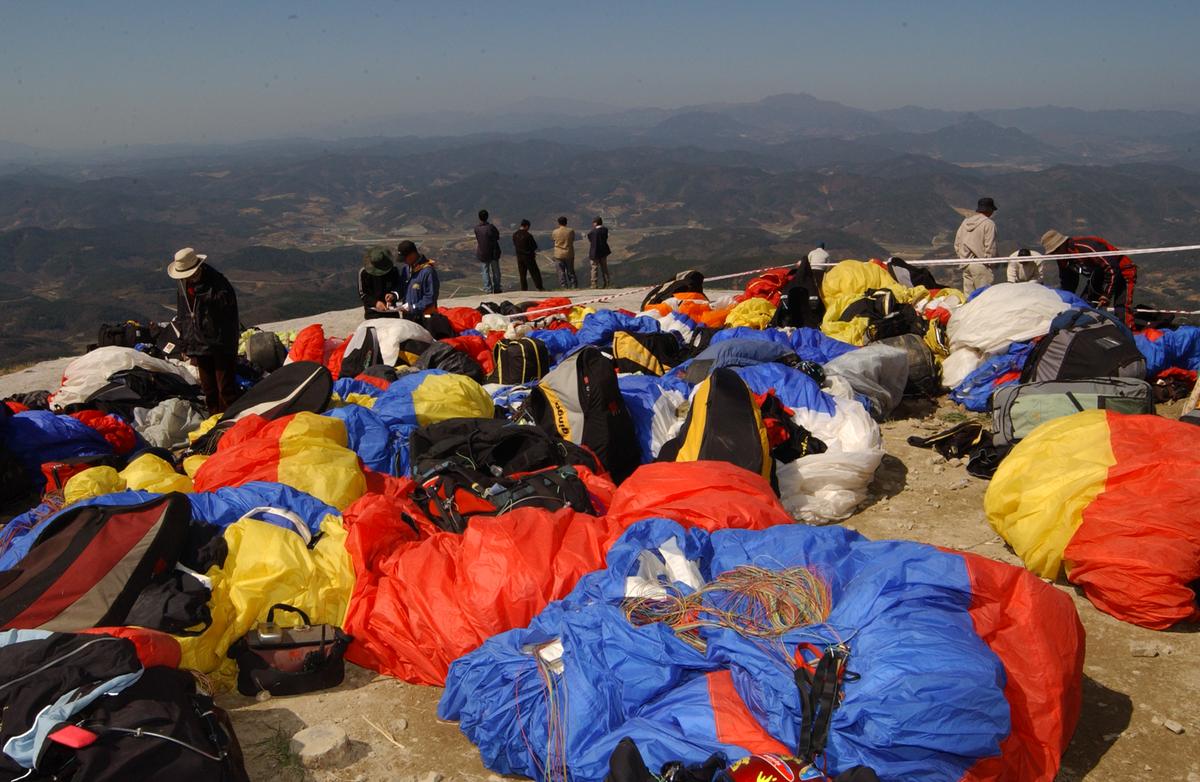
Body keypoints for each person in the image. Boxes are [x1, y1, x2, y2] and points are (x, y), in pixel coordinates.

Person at [168, 247, 240, 415]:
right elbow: (184, 315)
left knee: (225, 389)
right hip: (199, 344)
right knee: (209, 389)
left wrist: (203, 294)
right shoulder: (184, 286)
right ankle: (214, 419)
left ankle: (232, 419)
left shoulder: (217, 283)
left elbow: (226, 307)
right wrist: (185, 343)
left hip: (220, 343)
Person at [1042, 229, 1138, 327]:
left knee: (1122, 308)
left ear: (1062, 245)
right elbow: (1068, 281)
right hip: (1099, 273)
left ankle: (1127, 331)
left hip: (1123, 269)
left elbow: (1111, 268)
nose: (1055, 255)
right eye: (1052, 253)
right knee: (1085, 304)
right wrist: (1065, 300)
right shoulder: (1062, 257)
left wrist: (1106, 295)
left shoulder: (1086, 247)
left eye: (1055, 251)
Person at [954, 197, 998, 294]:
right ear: (989, 210)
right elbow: (990, 246)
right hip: (981, 264)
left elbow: (957, 243)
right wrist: (990, 263)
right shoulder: (989, 224)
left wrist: (962, 257)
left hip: (965, 264)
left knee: (969, 297)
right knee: (984, 295)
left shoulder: (965, 222)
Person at [395, 240, 440, 318]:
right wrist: (394, 295)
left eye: (405, 259)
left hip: (424, 318)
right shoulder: (406, 269)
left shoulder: (428, 272)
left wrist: (413, 307)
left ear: (413, 254)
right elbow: (402, 287)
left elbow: (430, 297)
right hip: (408, 316)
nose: (404, 262)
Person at [358, 247, 402, 319]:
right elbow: (363, 294)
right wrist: (375, 303)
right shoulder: (364, 273)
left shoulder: (393, 270)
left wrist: (393, 295)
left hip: (391, 312)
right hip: (372, 314)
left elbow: (399, 287)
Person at [511, 219, 545, 291]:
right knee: (534, 272)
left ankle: (524, 289)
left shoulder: (515, 234)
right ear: (526, 226)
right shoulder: (528, 235)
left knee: (522, 274)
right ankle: (539, 287)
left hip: (519, 257)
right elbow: (534, 246)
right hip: (529, 256)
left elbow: (515, 244)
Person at [474, 209, 502, 294]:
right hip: (493, 252)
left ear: (479, 217)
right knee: (495, 271)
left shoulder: (477, 228)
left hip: (482, 252)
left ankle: (487, 289)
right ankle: (497, 288)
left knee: (485, 271)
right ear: (487, 217)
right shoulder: (491, 227)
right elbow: (497, 236)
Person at [551, 216, 578, 288]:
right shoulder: (570, 231)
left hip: (558, 254)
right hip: (569, 253)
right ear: (566, 222)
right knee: (570, 271)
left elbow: (553, 239)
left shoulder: (555, 231)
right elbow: (572, 239)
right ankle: (574, 285)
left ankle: (564, 286)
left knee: (560, 272)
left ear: (558, 223)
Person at [587, 216, 612, 288]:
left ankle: (594, 284)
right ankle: (607, 282)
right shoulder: (605, 230)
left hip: (594, 252)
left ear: (595, 223)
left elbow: (590, 239)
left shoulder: (592, 232)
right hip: (603, 251)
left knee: (594, 268)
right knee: (604, 267)